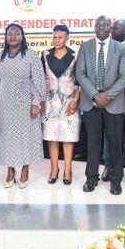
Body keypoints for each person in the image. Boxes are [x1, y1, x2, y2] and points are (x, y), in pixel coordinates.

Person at [76, 16, 125, 195]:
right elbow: (80, 74)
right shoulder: (85, 47)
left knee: (115, 144)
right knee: (92, 144)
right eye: (98, 24)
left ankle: (116, 181)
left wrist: (107, 96)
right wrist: (95, 95)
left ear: (111, 28)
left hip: (113, 104)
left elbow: (124, 76)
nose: (101, 27)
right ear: (94, 27)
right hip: (91, 103)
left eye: (105, 24)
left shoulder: (120, 48)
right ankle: (91, 178)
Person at [0, 24, 46, 188]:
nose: (13, 36)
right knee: (8, 138)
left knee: (25, 138)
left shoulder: (31, 55)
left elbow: (39, 81)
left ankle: (24, 170)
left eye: (17, 33)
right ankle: (10, 171)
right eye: (10, 34)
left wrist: (36, 103)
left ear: (22, 37)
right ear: (6, 37)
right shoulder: (0, 56)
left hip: (26, 105)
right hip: (6, 105)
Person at [42, 25, 80, 186]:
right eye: (54, 37)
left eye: (60, 37)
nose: (56, 40)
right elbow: (41, 79)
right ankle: (54, 169)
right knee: (52, 138)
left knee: (68, 137)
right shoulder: (44, 54)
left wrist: (75, 101)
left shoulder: (75, 55)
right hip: (50, 102)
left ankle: (67, 170)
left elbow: (80, 82)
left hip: (69, 102)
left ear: (67, 38)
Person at [103, 18, 125, 183]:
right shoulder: (105, 47)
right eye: (112, 28)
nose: (112, 31)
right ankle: (108, 168)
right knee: (110, 136)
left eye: (116, 28)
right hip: (111, 100)